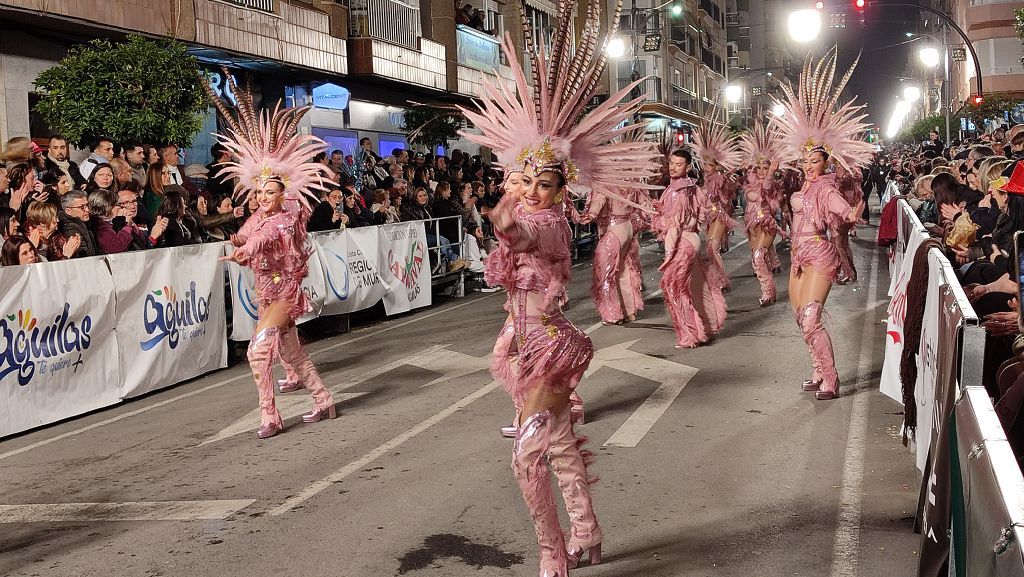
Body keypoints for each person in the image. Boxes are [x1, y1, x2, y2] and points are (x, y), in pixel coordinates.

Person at [457, 3, 660, 571]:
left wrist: (503, 219)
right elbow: (504, 262)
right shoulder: (526, 208)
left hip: (548, 343)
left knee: (526, 459)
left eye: (546, 183)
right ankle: (587, 533)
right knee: (563, 446)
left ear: (559, 185)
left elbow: (523, 234)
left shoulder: (547, 221)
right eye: (527, 179)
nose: (537, 190)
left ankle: (553, 554)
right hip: (522, 341)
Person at [206, 68, 337, 440]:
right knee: (290, 353)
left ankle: (271, 416)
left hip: (284, 291)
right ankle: (323, 398)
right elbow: (246, 235)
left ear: (283, 193)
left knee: (258, 353)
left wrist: (246, 248)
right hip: (265, 291)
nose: (262, 198)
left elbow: (261, 239)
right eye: (259, 192)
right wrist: (236, 243)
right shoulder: (258, 215)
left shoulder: (286, 218)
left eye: (270, 193)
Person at [771, 49, 872, 401]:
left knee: (812, 317)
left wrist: (851, 214)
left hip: (820, 254)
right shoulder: (801, 186)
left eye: (815, 160)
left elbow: (840, 209)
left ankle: (831, 378)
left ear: (825, 161)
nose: (809, 165)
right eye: (805, 159)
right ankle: (817, 371)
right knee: (801, 318)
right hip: (798, 256)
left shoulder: (827, 187)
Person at [655, 149, 725, 347]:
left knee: (675, 289)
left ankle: (690, 335)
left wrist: (669, 254)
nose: (673, 167)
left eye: (679, 164)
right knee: (695, 287)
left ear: (688, 167)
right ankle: (707, 328)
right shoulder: (691, 187)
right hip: (692, 239)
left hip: (682, 243)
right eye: (671, 163)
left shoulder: (678, 191)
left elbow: (674, 226)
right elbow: (701, 215)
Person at [580, 186, 649, 324]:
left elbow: (600, 198)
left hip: (614, 229)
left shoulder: (607, 181)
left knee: (605, 274)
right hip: (627, 227)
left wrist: (591, 214)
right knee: (623, 270)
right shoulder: (629, 180)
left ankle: (613, 315)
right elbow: (644, 202)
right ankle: (629, 310)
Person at [692, 112, 742, 294]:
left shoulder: (719, 178)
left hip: (719, 215)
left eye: (709, 164)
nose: (705, 167)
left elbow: (726, 195)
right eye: (704, 163)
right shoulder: (705, 179)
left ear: (716, 165)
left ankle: (722, 280)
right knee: (710, 249)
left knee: (713, 248)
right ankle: (720, 279)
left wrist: (726, 181)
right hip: (709, 216)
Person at [738, 120, 784, 307]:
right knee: (757, 260)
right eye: (760, 168)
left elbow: (766, 189)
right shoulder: (749, 182)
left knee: (758, 256)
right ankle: (769, 289)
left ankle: (766, 294)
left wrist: (772, 172)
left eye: (766, 167)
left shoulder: (771, 183)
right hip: (751, 225)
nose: (763, 171)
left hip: (766, 224)